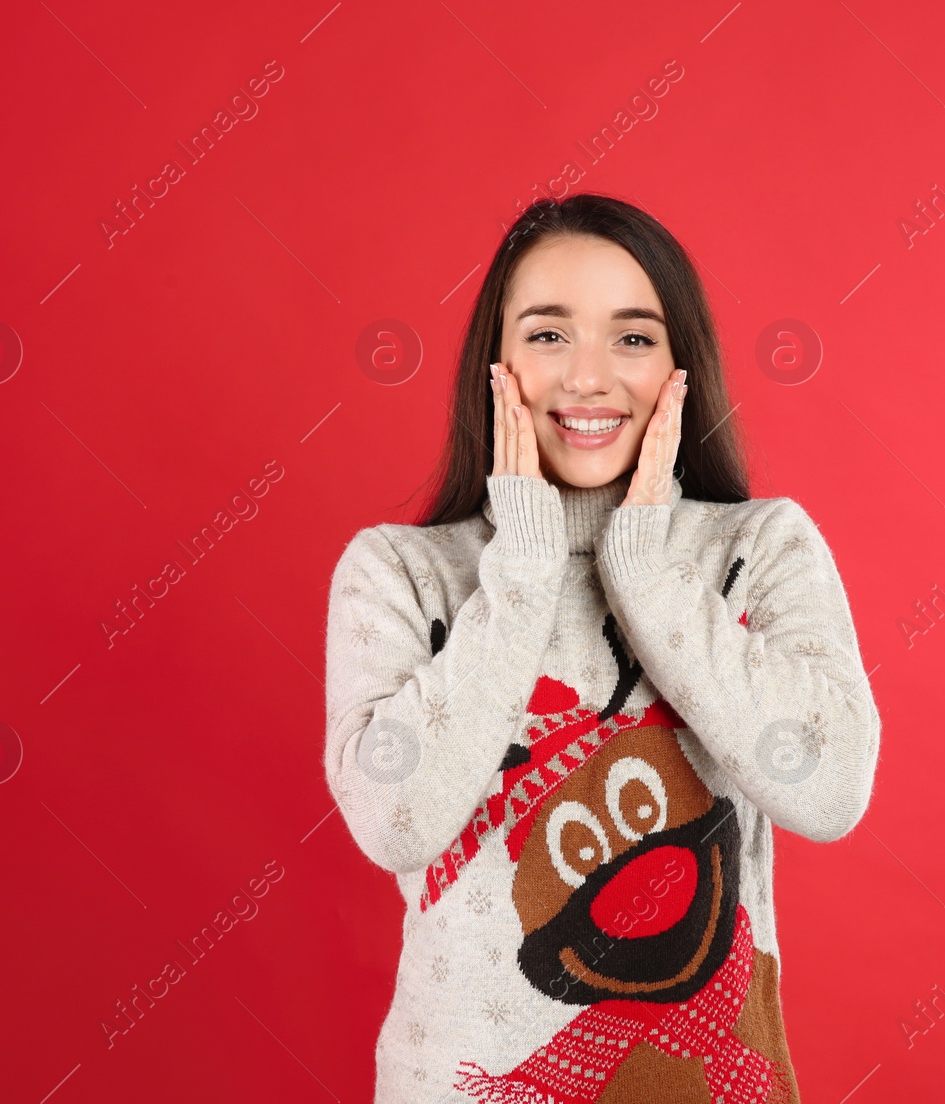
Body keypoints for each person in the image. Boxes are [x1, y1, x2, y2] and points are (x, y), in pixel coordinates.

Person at [324, 193, 882, 1103]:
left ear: (679, 368)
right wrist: (525, 565)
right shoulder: (398, 574)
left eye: (633, 338)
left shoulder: (758, 549)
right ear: (493, 364)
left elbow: (830, 789)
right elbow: (396, 823)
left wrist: (649, 573)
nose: (589, 376)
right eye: (548, 336)